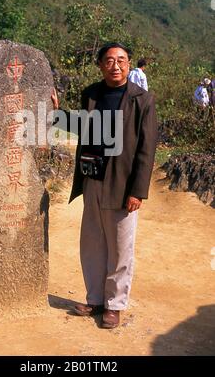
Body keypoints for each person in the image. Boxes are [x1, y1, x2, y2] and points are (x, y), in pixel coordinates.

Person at [51, 42, 157, 329]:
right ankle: (96, 299)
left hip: (122, 184)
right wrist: (57, 114)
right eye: (109, 60)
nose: (116, 65)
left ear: (129, 64)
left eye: (122, 60)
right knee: (93, 242)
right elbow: (85, 126)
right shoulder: (92, 94)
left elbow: (147, 150)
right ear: (100, 64)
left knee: (121, 248)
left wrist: (138, 191)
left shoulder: (142, 100)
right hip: (93, 178)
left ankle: (115, 305)